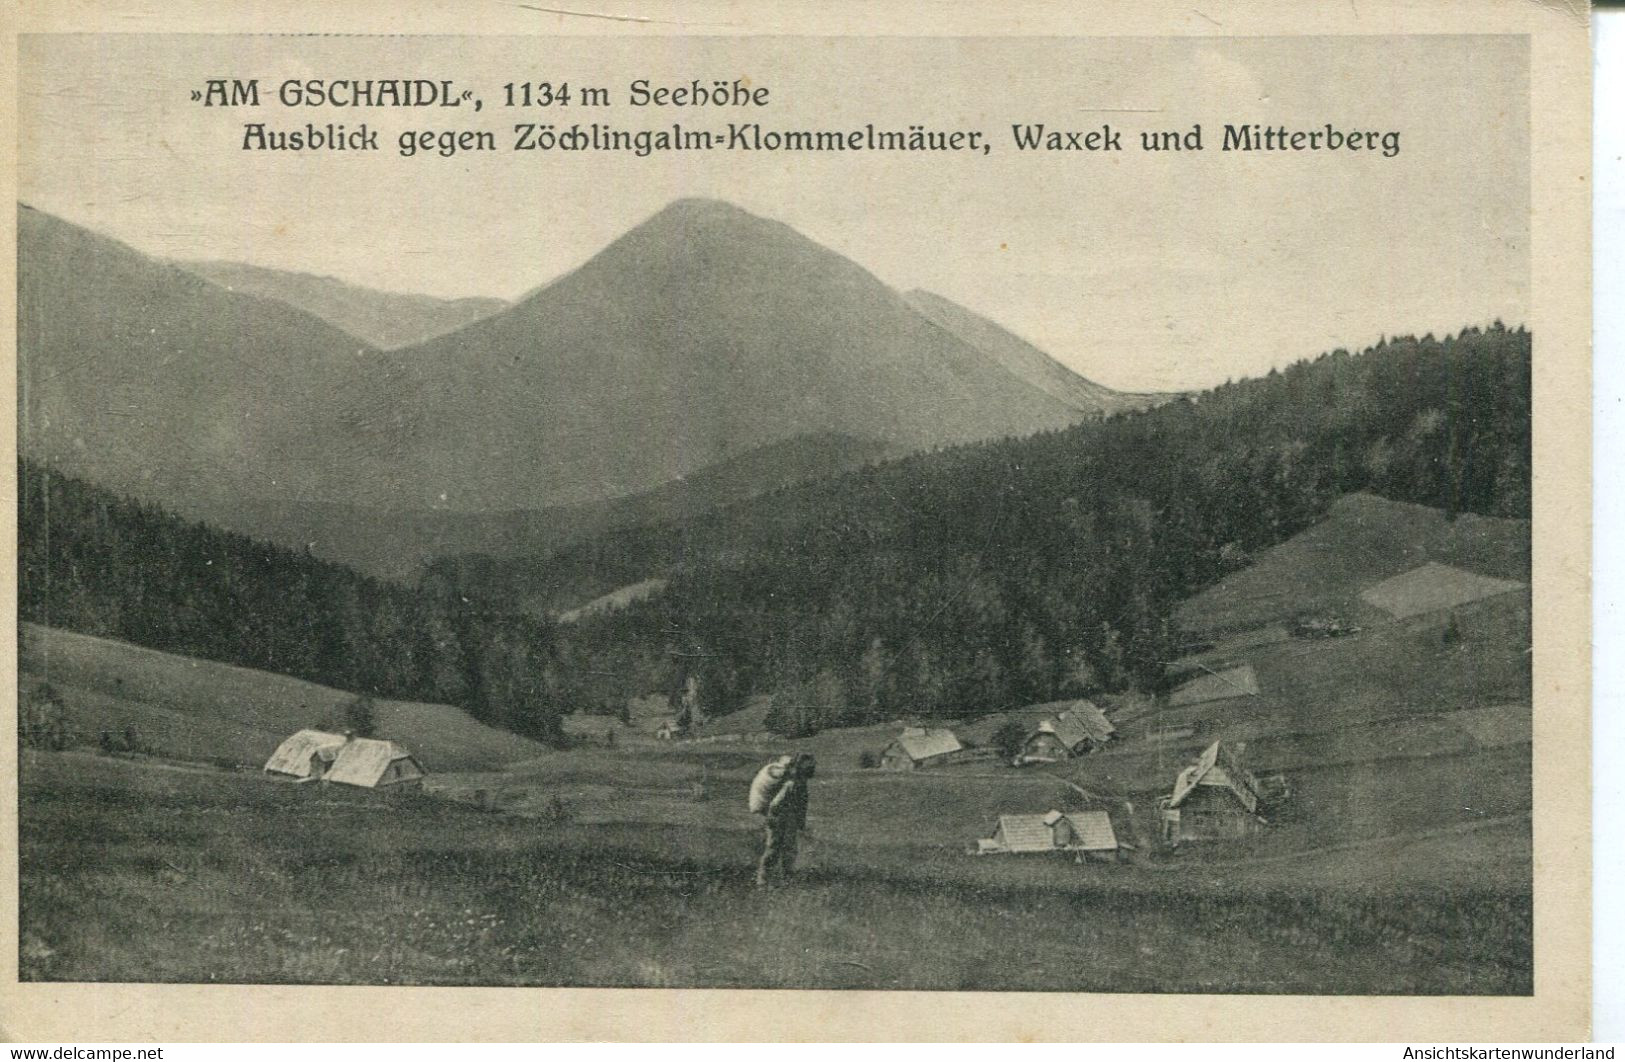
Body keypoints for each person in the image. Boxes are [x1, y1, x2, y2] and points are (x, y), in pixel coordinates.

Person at [750, 752, 815, 887]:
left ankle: (781, 878)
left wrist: (800, 822)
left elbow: (802, 803)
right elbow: (776, 803)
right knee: (775, 848)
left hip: (787, 815)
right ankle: (764, 880)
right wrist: (773, 818)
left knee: (787, 848)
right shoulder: (791, 783)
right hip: (779, 816)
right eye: (809, 768)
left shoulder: (798, 782)